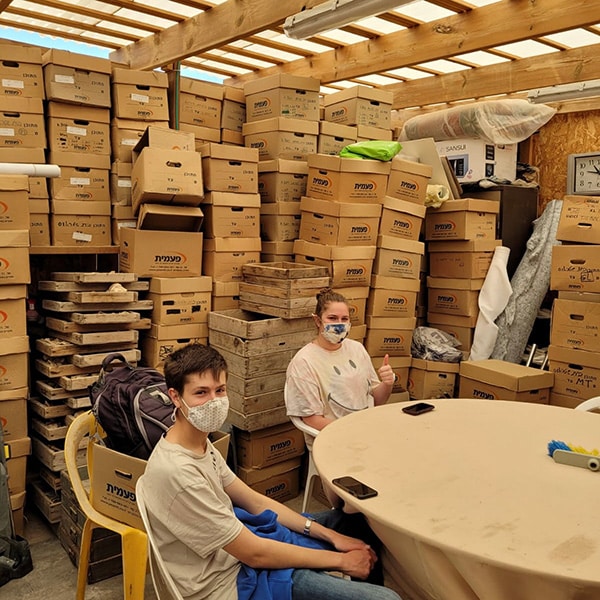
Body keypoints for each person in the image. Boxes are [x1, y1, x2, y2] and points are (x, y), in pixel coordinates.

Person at [138, 343, 402, 600]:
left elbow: (255, 501)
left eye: (220, 390)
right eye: (201, 393)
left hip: (238, 547)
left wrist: (334, 536)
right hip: (226, 581)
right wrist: (342, 560)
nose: (214, 402)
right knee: (386, 598)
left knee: (356, 522)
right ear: (175, 396)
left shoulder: (198, 443)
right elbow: (255, 554)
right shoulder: (179, 472)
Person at [285, 288, 396, 441]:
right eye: (332, 318)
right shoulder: (304, 361)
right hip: (333, 440)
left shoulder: (356, 349)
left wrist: (387, 383)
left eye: (344, 319)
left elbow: (375, 401)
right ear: (317, 321)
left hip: (367, 430)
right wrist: (351, 433)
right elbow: (311, 419)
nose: (339, 324)